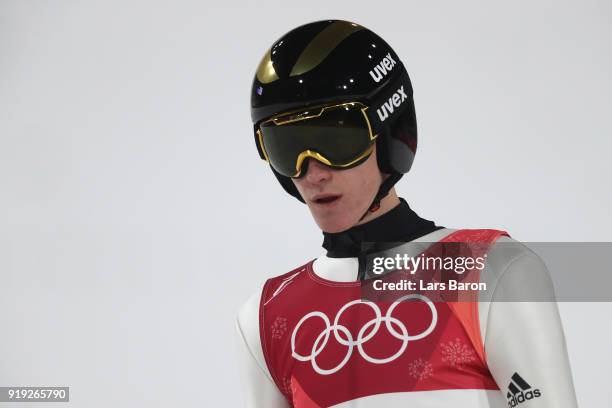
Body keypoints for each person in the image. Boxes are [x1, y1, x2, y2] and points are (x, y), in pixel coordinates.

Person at [237, 19, 578, 407]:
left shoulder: (491, 269)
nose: (313, 171)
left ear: (388, 134)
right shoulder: (266, 316)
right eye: (287, 147)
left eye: (336, 140)